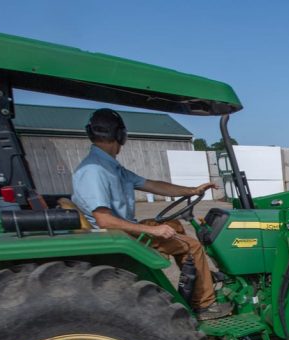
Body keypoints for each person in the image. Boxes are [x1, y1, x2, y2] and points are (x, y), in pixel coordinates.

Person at [71, 108, 231, 320]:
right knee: (192, 247)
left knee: (174, 225)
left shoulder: (109, 167)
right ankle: (205, 305)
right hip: (115, 235)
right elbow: (103, 219)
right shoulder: (93, 171)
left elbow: (153, 185)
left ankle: (196, 282)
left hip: (120, 229)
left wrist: (192, 191)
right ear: (119, 135)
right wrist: (151, 229)